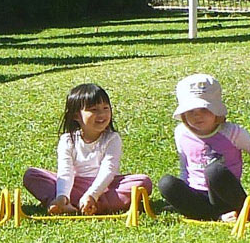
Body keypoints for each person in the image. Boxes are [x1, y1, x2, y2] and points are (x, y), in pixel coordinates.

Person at [155, 74, 250, 222]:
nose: (197, 116)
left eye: (204, 109)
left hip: (225, 195)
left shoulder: (231, 132)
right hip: (198, 196)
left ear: (216, 110)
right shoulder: (181, 133)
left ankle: (246, 213)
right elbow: (185, 166)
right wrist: (184, 195)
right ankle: (216, 216)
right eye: (191, 112)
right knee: (166, 183)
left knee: (214, 171)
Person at [21, 82, 152, 216]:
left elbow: (109, 170)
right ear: (76, 115)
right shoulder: (68, 140)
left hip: (104, 187)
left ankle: (91, 205)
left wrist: (92, 194)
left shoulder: (112, 138)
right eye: (94, 110)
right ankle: (61, 202)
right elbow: (65, 171)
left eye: (106, 108)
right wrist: (62, 195)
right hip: (73, 186)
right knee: (32, 175)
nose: (102, 114)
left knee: (142, 181)